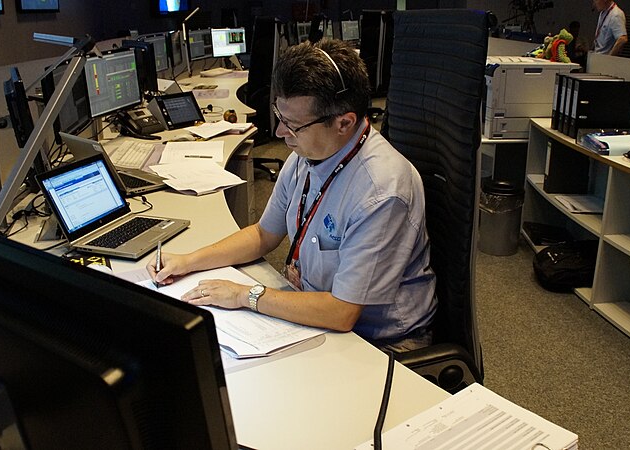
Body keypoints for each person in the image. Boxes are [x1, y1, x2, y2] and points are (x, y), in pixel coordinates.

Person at [148, 39, 437, 352]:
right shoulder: (310, 153)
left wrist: (244, 295)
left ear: (344, 123)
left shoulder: (381, 191)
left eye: (293, 125)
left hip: (379, 340)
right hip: (320, 309)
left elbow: (342, 312)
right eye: (280, 117)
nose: (280, 133)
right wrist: (189, 261)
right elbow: (263, 235)